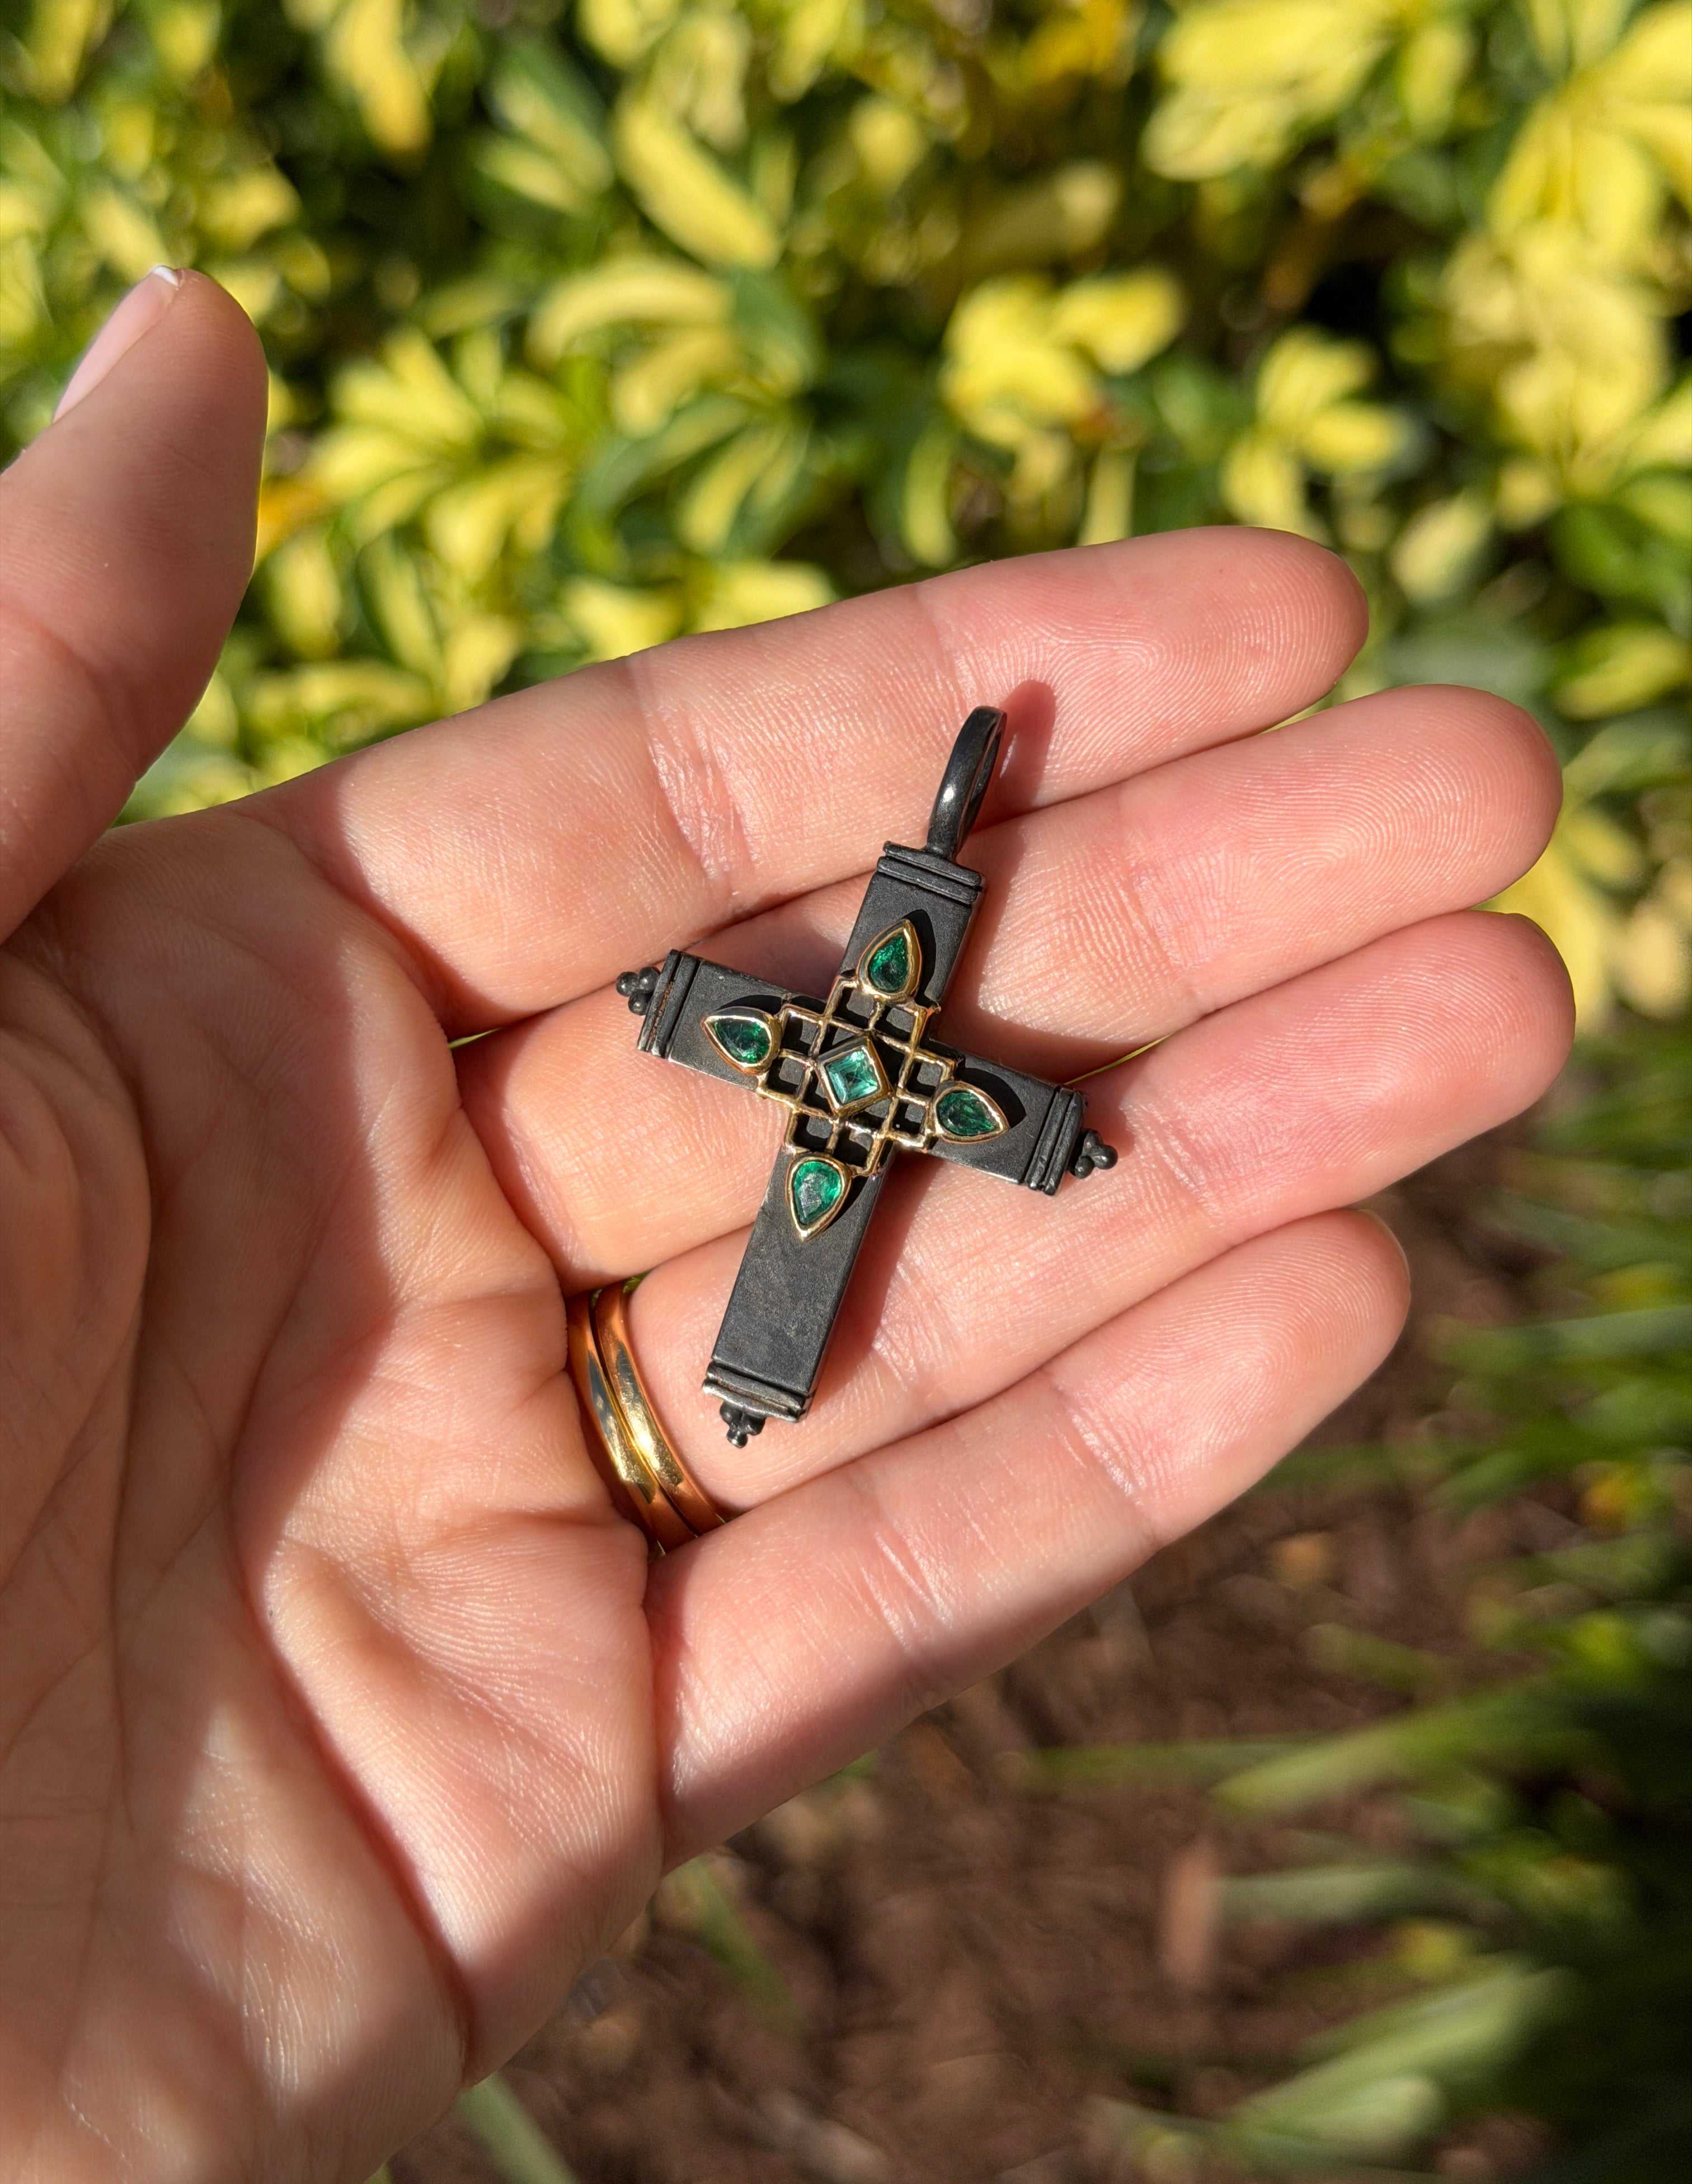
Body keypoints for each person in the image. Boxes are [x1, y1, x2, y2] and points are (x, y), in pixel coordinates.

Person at [0, 272, 1572, 2182]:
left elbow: (933, 1091)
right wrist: (753, 1035)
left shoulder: (892, 1046)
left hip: (848, 1129)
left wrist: (1030, 1131)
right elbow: (825, 1054)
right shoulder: (839, 1042)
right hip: (809, 1146)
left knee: (897, 1125)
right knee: (869, 1129)